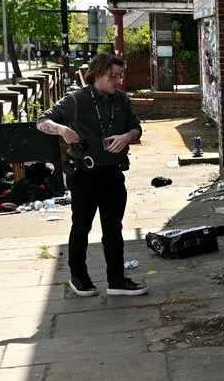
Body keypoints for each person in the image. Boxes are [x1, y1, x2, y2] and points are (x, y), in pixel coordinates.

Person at [36, 53, 148, 297]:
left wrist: (127, 137)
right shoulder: (76, 99)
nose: (119, 81)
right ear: (98, 74)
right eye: (113, 76)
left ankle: (117, 280)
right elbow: (41, 121)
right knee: (82, 226)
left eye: (121, 75)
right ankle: (79, 277)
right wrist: (62, 129)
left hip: (113, 172)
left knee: (113, 228)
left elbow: (136, 127)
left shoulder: (121, 100)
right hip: (84, 174)